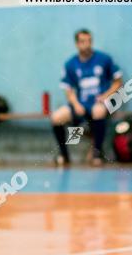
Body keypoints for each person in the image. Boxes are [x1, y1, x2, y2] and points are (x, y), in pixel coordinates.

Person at [51, 29, 121, 166]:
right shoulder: (70, 64)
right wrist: (76, 104)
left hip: (99, 102)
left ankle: (97, 154)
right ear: (77, 44)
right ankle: (64, 155)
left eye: (89, 41)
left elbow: (118, 81)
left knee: (98, 111)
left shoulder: (104, 59)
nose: (87, 44)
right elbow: (68, 89)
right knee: (56, 117)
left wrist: (106, 96)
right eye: (83, 41)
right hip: (81, 102)